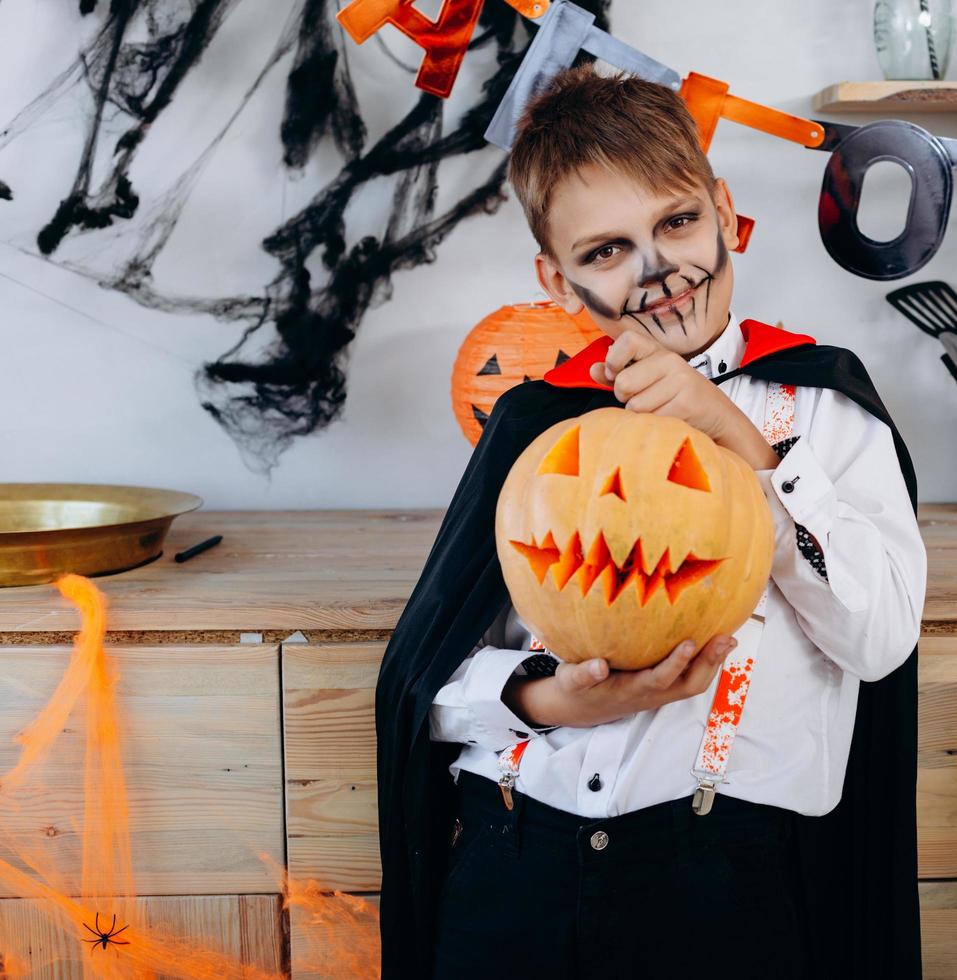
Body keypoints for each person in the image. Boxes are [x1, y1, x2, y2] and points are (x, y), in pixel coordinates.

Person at [375, 62, 927, 980]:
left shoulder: (824, 411)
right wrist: (552, 700)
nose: (659, 269)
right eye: (606, 250)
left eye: (675, 222)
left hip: (722, 888)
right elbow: (424, 691)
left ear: (721, 207)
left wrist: (740, 443)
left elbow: (878, 640)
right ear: (557, 279)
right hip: (515, 876)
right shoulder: (535, 423)